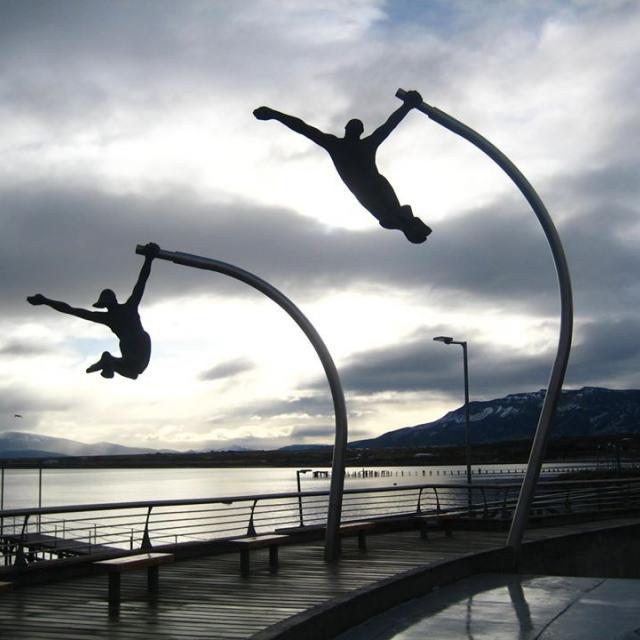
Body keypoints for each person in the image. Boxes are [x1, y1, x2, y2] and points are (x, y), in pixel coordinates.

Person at [253, 90, 431, 243]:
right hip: (372, 196)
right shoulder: (335, 145)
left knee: (395, 215)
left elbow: (389, 125)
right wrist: (274, 114)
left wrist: (408, 106)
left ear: (360, 132)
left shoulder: (365, 145)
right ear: (346, 128)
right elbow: (303, 128)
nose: (356, 126)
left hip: (379, 191)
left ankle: (409, 228)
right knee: (394, 216)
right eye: (354, 124)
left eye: (358, 125)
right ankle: (409, 227)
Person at [27, 243, 160, 380]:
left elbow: (71, 310)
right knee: (134, 372)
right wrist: (149, 259)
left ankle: (109, 361)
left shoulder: (107, 318)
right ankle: (109, 361)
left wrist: (46, 301)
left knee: (133, 374)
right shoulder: (129, 307)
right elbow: (141, 282)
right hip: (140, 340)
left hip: (128, 343)